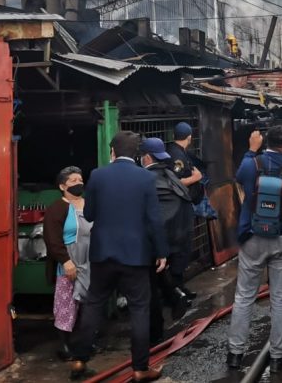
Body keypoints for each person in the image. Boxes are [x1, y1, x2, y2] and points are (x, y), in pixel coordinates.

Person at [67, 131, 167, 383]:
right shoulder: (145, 178)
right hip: (135, 255)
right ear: (136, 154)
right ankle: (140, 368)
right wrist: (162, 252)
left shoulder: (98, 175)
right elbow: (155, 220)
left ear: (112, 151)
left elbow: (89, 214)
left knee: (94, 304)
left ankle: (79, 359)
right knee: (139, 309)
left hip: (102, 253)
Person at [227, 126, 282, 373]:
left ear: (265, 141)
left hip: (253, 236)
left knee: (243, 296)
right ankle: (278, 356)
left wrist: (252, 150)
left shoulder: (252, 164)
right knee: (281, 298)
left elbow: (240, 178)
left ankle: (235, 354)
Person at [140, 137, 193, 343]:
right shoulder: (169, 175)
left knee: (150, 285)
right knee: (158, 276)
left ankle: (155, 334)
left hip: (157, 241)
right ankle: (175, 295)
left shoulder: (146, 179)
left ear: (145, 157)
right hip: (177, 237)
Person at [43, 166, 92, 361]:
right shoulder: (56, 209)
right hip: (69, 261)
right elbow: (52, 240)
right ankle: (64, 345)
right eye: (72, 181)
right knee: (66, 304)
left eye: (80, 179)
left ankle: (85, 340)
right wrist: (66, 261)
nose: (78, 183)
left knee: (88, 302)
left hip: (89, 259)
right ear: (62, 186)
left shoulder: (89, 204)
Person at [166, 122, 208, 299]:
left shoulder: (180, 152)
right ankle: (175, 290)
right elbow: (173, 183)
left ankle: (179, 286)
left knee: (183, 249)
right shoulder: (176, 155)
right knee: (180, 249)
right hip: (178, 208)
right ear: (189, 137)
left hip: (184, 205)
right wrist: (196, 177)